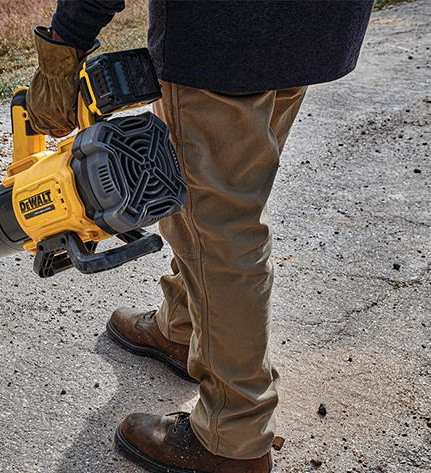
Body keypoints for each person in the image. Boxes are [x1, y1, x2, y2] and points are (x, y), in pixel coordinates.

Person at [26, 1, 375, 472]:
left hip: (222, 34)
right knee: (222, 198)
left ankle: (233, 434)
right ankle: (183, 326)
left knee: (216, 225)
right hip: (317, 25)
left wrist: (66, 40)